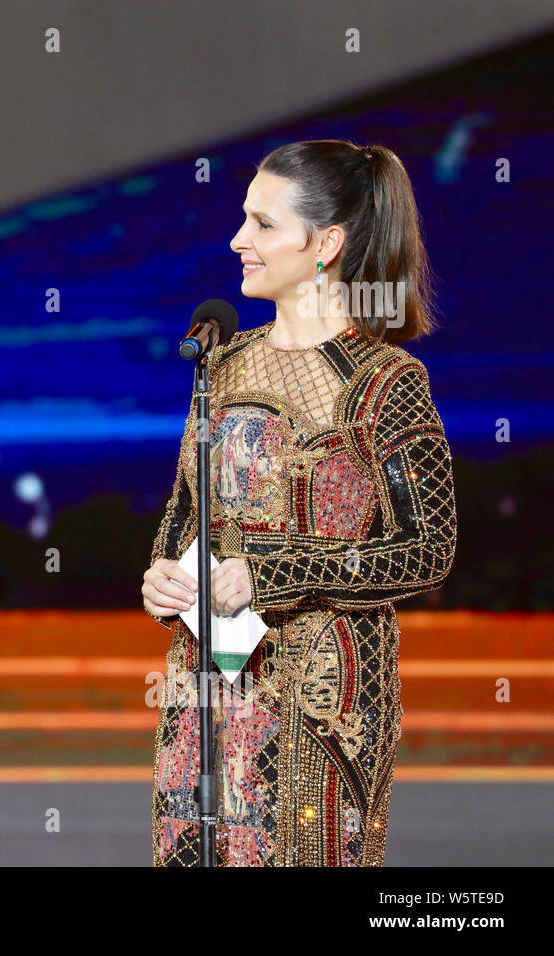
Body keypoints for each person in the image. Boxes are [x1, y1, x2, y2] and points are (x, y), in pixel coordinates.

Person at [141, 140, 457, 866]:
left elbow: (429, 547)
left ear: (327, 244)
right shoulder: (219, 363)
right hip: (208, 690)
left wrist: (272, 573)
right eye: (243, 220)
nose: (238, 240)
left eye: (262, 224)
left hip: (328, 700)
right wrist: (162, 573)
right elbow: (187, 513)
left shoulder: (383, 381)